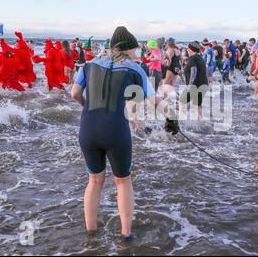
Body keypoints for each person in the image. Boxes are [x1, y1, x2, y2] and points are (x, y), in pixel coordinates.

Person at [71, 26, 179, 242]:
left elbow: (75, 93)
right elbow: (154, 100)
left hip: (88, 128)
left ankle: (91, 233)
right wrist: (172, 117)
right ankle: (125, 235)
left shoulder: (89, 65)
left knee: (94, 181)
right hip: (116, 128)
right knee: (123, 181)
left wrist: (87, 108)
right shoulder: (134, 68)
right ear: (130, 49)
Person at [179, 41, 209, 120]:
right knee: (197, 106)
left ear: (192, 49)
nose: (187, 50)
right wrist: (180, 72)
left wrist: (190, 85)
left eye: (188, 49)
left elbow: (194, 71)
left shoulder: (192, 58)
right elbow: (197, 70)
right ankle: (200, 124)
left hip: (195, 86)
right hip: (204, 85)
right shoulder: (200, 58)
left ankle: (181, 122)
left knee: (181, 102)